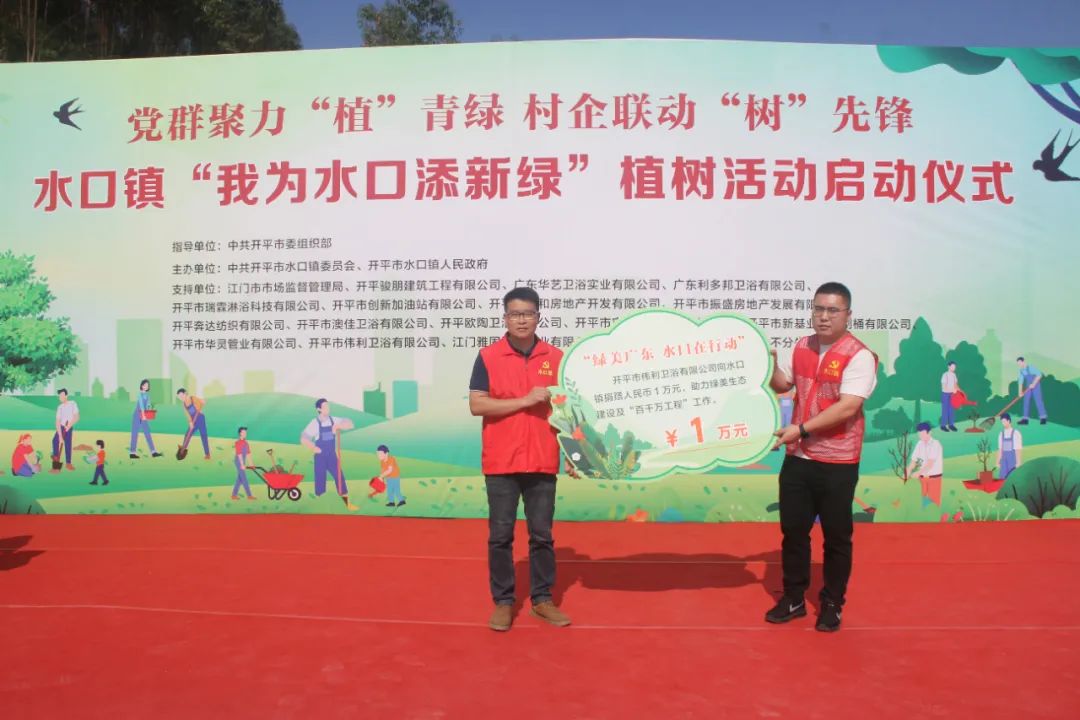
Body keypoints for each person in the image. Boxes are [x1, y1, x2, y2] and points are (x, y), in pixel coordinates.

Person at [766, 282, 878, 633]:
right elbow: (783, 385)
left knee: (836, 536)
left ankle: (832, 602)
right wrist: (770, 365)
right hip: (798, 458)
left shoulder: (859, 355)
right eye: (818, 309)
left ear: (848, 314)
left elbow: (848, 407)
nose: (824, 316)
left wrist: (800, 429)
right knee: (793, 532)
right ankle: (794, 597)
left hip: (838, 461)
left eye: (832, 310)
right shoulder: (802, 345)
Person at [469, 286, 570, 632]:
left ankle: (542, 599)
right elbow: (477, 405)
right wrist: (525, 401)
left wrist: (574, 455)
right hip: (502, 461)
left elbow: (567, 412)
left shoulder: (556, 358)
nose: (522, 320)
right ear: (505, 318)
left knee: (542, 535)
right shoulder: (488, 357)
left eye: (528, 313)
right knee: (500, 536)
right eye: (515, 314)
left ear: (538, 316)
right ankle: (503, 602)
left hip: (542, 459)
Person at [300, 399, 357, 511]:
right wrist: (313, 448)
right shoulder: (314, 423)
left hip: (332, 455)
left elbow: (350, 424)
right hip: (320, 456)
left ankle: (347, 504)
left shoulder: (333, 420)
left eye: (328, 406)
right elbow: (303, 438)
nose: (328, 408)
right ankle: (319, 507)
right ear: (319, 409)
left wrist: (339, 425)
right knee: (320, 480)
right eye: (325, 407)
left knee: (340, 477)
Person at [907, 422, 944, 507]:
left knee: (933, 504)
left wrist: (918, 473)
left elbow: (930, 464)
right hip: (922, 478)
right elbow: (914, 460)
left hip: (934, 478)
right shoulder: (919, 444)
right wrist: (908, 471)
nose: (921, 436)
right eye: (919, 434)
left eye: (923, 434)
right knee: (921, 503)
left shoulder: (935, 444)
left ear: (929, 432)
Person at [129, 379, 162, 459]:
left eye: (147, 385)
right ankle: (132, 453)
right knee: (135, 433)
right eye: (145, 385)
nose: (146, 386)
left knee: (147, 433)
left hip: (144, 415)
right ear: (142, 386)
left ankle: (153, 452)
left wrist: (150, 407)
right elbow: (141, 405)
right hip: (137, 415)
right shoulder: (140, 395)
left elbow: (147, 405)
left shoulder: (147, 395)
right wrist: (143, 415)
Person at [176, 388, 211, 460]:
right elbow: (187, 414)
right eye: (179, 397)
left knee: (203, 436)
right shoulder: (184, 405)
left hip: (200, 419)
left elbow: (201, 402)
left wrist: (202, 402)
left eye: (182, 396)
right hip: (193, 420)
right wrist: (190, 422)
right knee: (187, 434)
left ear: (185, 393)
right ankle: (183, 449)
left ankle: (207, 454)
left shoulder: (192, 398)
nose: (181, 398)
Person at [52, 388, 79, 472]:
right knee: (55, 441)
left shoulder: (72, 403)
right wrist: (60, 436)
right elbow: (57, 421)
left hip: (69, 427)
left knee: (68, 444)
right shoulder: (59, 407)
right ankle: (56, 464)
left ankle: (68, 463)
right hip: (61, 427)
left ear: (66, 395)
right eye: (59, 396)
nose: (60, 397)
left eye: (62, 395)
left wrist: (69, 425)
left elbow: (76, 417)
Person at [1016, 357, 1048, 425]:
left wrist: (1033, 384)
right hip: (1028, 386)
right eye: (1018, 364)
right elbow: (1020, 382)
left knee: (1038, 400)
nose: (1019, 365)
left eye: (1020, 363)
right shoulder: (1021, 371)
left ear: (1023, 361)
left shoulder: (1031, 368)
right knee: (1026, 401)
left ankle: (1043, 418)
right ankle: (1025, 419)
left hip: (1036, 385)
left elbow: (1039, 375)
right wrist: (1020, 392)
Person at [997, 413, 1022, 479]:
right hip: (1004, 462)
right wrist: (998, 461)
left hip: (1012, 461)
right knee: (1002, 479)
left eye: (1004, 421)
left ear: (1009, 421)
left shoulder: (1016, 433)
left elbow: (1018, 449)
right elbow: (1000, 449)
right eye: (1002, 422)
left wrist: (1018, 462)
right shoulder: (1001, 434)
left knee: (1012, 478)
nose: (1003, 423)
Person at [233, 427, 256, 500]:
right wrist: (242, 465)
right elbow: (239, 454)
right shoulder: (238, 443)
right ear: (240, 433)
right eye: (244, 432)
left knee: (239, 479)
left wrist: (252, 464)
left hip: (242, 461)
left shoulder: (246, 443)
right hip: (238, 461)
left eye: (246, 432)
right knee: (244, 478)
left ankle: (233, 495)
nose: (245, 434)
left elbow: (248, 454)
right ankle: (249, 495)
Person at [940, 361, 960, 432]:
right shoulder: (945, 375)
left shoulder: (954, 375)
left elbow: (955, 385)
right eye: (952, 366)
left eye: (955, 367)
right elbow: (943, 387)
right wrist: (952, 390)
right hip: (945, 394)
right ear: (948, 366)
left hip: (952, 395)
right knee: (945, 410)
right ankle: (943, 426)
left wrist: (959, 391)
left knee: (951, 410)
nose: (954, 368)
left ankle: (951, 425)